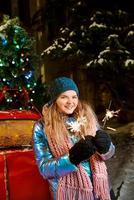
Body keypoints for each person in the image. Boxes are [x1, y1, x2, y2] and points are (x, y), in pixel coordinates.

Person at [33, 76, 115, 200]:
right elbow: (44, 169)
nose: (70, 101)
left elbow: (108, 154)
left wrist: (107, 147)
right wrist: (72, 158)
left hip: (101, 190)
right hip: (71, 194)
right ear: (54, 100)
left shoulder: (87, 117)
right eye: (64, 97)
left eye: (74, 96)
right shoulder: (43, 126)